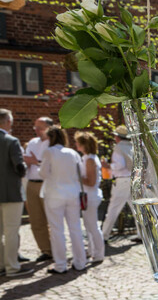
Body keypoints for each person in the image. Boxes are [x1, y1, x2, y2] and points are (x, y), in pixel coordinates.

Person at [40, 126, 86, 274]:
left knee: (57, 230)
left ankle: (60, 265)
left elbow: (43, 173)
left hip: (54, 195)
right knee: (75, 229)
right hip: (72, 194)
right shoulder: (73, 153)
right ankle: (80, 262)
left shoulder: (49, 152)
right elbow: (81, 173)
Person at [0, 109, 31, 278]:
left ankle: (0, 265)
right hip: (11, 193)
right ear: (7, 122)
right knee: (11, 231)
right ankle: (12, 267)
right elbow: (19, 167)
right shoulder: (11, 141)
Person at [22, 116, 53, 262]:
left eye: (40, 127)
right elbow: (27, 161)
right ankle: (46, 250)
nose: (36, 130)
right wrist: (26, 163)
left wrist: (35, 161)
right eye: (35, 127)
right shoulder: (33, 143)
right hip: (31, 183)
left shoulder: (54, 144)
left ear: (49, 128)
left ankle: (57, 249)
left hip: (47, 184)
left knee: (52, 219)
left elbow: (54, 167)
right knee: (35, 219)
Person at [74, 131, 104, 264]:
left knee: (92, 226)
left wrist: (75, 177)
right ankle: (92, 251)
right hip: (88, 195)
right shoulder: (88, 157)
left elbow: (91, 182)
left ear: (83, 145)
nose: (76, 145)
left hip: (90, 196)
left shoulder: (90, 159)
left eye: (77, 142)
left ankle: (99, 254)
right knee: (89, 225)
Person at [101, 126, 135, 241]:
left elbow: (119, 165)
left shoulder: (119, 148)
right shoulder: (133, 147)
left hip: (122, 181)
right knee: (136, 209)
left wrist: (108, 166)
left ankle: (103, 236)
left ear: (117, 137)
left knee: (113, 209)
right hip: (133, 179)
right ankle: (142, 234)